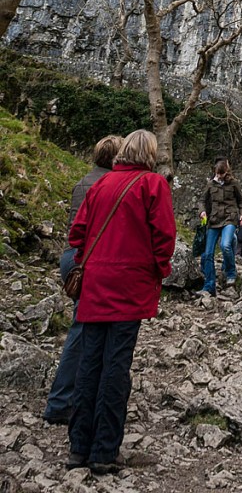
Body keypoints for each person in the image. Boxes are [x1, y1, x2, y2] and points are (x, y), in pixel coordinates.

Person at [67, 129, 176, 475]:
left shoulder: (101, 184)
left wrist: (89, 262)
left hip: (97, 283)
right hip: (130, 285)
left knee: (89, 364)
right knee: (116, 367)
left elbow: (77, 233)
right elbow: (164, 235)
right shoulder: (152, 184)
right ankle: (103, 451)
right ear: (149, 154)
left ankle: (77, 448)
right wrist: (160, 269)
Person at [43, 134, 124, 426]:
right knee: (81, 331)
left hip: (72, 257)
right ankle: (61, 401)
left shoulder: (85, 180)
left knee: (85, 329)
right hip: (87, 260)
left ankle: (75, 396)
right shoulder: (108, 185)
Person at [199, 160, 242, 295]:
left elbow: (241, 201)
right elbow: (202, 200)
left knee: (225, 245)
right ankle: (209, 285)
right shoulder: (210, 184)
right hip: (213, 221)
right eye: (217, 174)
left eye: (221, 173)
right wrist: (202, 211)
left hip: (229, 219)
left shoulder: (233, 183)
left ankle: (231, 273)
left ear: (226, 172)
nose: (219, 176)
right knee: (208, 253)